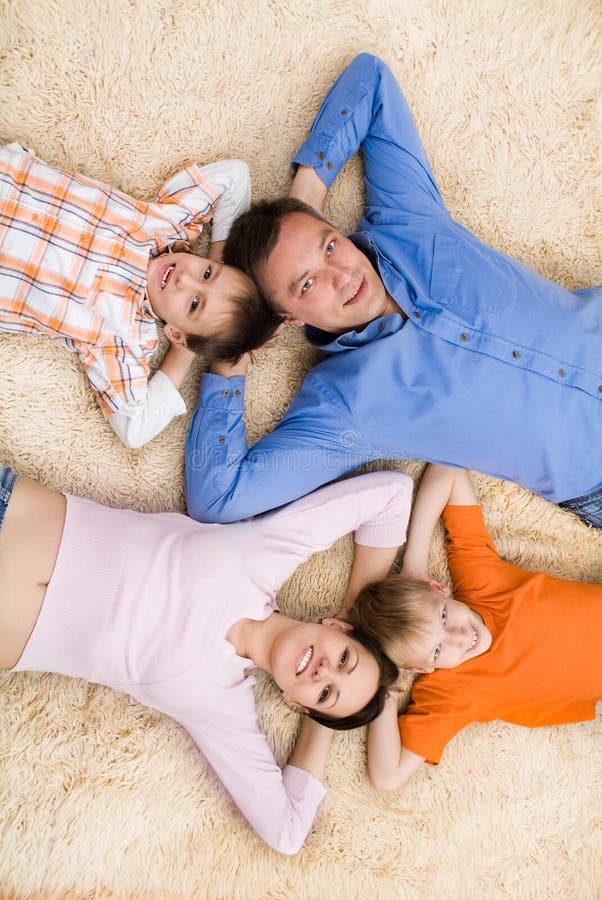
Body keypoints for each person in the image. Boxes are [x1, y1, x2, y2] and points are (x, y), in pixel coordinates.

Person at [185, 52, 601, 526]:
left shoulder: (407, 219)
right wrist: (230, 338)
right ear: (290, 318)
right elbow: (218, 498)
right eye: (306, 284)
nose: (342, 276)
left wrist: (308, 190)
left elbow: (372, 77)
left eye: (328, 247)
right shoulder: (344, 408)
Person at [1, 464, 412, 853]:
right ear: (336, 629)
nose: (325, 670)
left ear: (296, 703)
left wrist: (319, 722)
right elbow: (393, 494)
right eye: (344, 659)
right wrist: (354, 610)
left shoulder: (221, 707)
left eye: (326, 692)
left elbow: (287, 833)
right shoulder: (268, 552)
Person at [0, 142, 279, 448]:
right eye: (207, 273)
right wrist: (221, 262)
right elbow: (235, 175)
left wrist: (185, 349)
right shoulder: (169, 225)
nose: (185, 278)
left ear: (175, 333)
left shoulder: (124, 336)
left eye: (194, 304)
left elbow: (135, 429)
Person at [344, 463, 602, 791]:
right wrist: (382, 682)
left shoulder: (481, 583)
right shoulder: (451, 693)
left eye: (443, 617)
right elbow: (387, 777)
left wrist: (415, 563)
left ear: (439, 589)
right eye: (437, 650)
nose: (459, 637)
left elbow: (447, 469)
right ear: (422, 668)